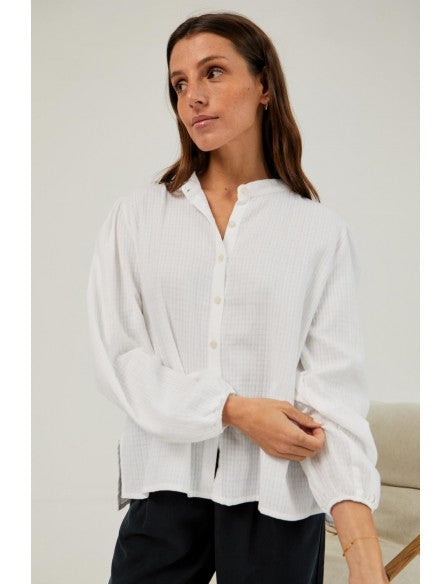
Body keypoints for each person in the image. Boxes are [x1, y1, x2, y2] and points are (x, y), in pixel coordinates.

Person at [86, 11, 389, 584]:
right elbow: (119, 359)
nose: (193, 97)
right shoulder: (137, 217)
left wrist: (363, 554)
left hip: (280, 496)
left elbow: (332, 398)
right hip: (165, 487)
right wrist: (234, 410)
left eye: (214, 72)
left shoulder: (319, 232)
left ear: (264, 85)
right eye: (179, 83)